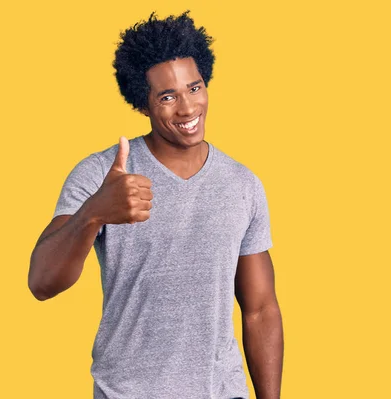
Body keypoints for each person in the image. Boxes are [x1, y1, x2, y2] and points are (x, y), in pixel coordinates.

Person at [28, 10, 283, 399]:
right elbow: (42, 283)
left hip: (221, 392)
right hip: (128, 393)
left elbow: (261, 309)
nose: (187, 108)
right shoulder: (102, 173)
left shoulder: (242, 184)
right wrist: (94, 211)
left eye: (194, 88)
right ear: (142, 104)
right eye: (168, 96)